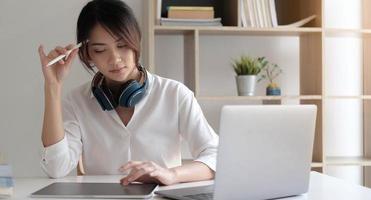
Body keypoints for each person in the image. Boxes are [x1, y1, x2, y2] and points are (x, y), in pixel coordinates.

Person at [37, 0, 218, 186]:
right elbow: (56, 168)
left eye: (122, 45)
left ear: (136, 40)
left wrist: (172, 174)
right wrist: (53, 86)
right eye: (100, 50)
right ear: (87, 54)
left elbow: (216, 155)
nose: (114, 59)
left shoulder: (175, 94)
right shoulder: (76, 101)